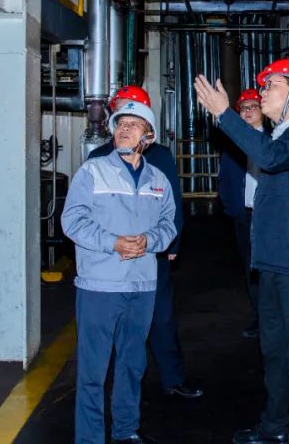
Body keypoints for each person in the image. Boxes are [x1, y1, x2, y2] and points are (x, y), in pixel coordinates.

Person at [194, 59, 289, 444]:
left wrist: (225, 114)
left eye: (271, 85)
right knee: (274, 352)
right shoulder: (283, 135)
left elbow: (272, 157)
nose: (262, 92)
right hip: (274, 262)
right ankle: (274, 427)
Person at [62, 100, 177, 444]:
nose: (124, 129)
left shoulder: (158, 180)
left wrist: (150, 240)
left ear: (148, 136)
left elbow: (169, 224)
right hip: (100, 285)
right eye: (120, 124)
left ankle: (126, 430)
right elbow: (72, 220)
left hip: (142, 285)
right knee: (93, 370)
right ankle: (90, 439)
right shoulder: (92, 172)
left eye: (133, 125)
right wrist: (112, 243)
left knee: (132, 364)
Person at [87, 85, 202, 399]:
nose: (126, 118)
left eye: (133, 112)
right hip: (112, 257)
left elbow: (172, 205)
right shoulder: (97, 158)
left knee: (160, 317)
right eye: (121, 111)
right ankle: (112, 383)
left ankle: (173, 378)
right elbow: (86, 211)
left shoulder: (160, 156)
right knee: (110, 322)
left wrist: (172, 245)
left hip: (151, 253)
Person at [217, 89, 266, 339]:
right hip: (244, 216)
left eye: (252, 107)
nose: (247, 112)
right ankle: (259, 317)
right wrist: (232, 207)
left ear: (263, 111)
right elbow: (224, 179)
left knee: (269, 268)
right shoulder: (233, 144)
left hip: (268, 217)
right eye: (243, 108)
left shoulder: (273, 141)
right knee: (250, 268)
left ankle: (275, 316)